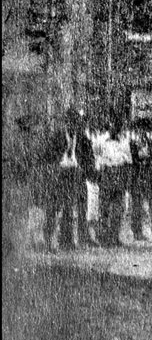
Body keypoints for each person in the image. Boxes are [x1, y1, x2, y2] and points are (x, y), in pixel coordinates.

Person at [41, 106, 98, 252]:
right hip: (58, 175)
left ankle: (67, 241)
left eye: (77, 122)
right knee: (53, 208)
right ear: (66, 122)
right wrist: (54, 169)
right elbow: (47, 157)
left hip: (75, 174)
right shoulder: (58, 137)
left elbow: (90, 158)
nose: (74, 125)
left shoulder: (83, 139)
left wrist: (88, 172)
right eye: (71, 122)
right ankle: (47, 242)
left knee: (72, 207)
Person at [93, 114, 133, 248]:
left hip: (120, 173)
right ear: (109, 125)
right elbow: (96, 157)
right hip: (107, 173)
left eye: (119, 125)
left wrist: (127, 178)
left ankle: (114, 237)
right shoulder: (101, 140)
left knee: (118, 208)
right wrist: (100, 173)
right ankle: (103, 238)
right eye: (113, 124)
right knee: (104, 208)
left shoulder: (124, 141)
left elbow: (128, 161)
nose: (116, 128)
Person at [128, 117, 152, 241]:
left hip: (150, 177)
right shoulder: (132, 143)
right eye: (139, 129)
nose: (142, 131)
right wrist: (139, 157)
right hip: (137, 177)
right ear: (137, 130)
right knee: (137, 205)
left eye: (144, 129)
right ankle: (137, 232)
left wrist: (150, 154)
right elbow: (130, 158)